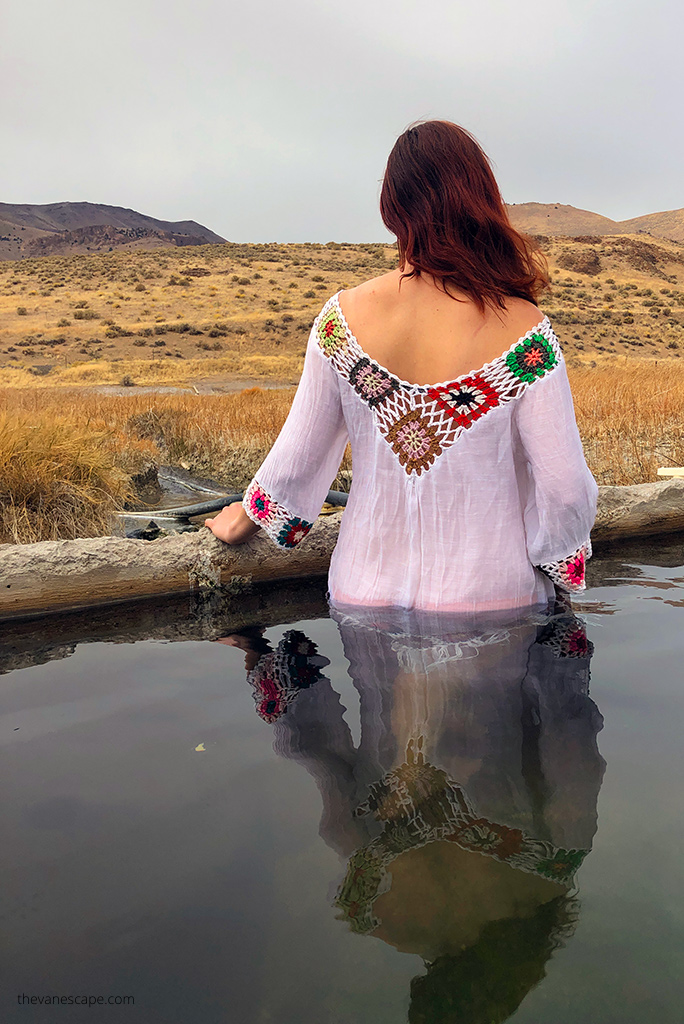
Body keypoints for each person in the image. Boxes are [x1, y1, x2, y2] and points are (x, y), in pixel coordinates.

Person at [205, 120, 598, 614]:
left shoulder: (339, 321)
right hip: (489, 598)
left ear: (391, 208)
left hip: (360, 593)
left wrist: (247, 514)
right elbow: (565, 490)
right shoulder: (526, 336)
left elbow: (298, 457)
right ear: (481, 201)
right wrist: (562, 563)